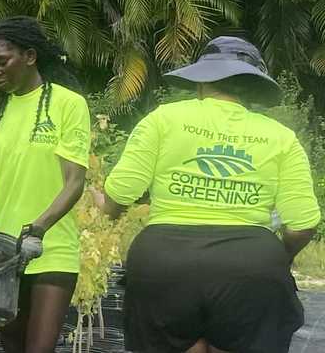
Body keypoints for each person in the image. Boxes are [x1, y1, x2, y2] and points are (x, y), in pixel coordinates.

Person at [93, 36, 321, 353]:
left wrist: (102, 205)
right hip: (251, 266)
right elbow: (303, 224)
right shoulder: (281, 137)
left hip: (164, 263)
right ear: (252, 88)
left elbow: (120, 193)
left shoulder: (164, 119)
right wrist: (277, 258)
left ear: (202, 82)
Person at [0, 16, 90, 353]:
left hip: (51, 250)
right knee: (11, 345)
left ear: (30, 56)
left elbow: (74, 182)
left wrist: (39, 228)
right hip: (4, 258)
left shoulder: (67, 104)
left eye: (3, 62)